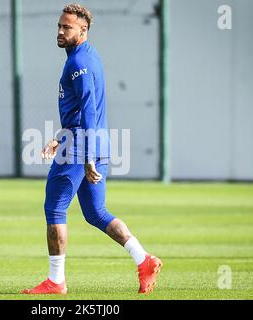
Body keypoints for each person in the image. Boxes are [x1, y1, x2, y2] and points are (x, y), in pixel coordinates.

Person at [22, 3, 162, 295]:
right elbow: (83, 113)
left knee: (55, 209)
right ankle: (144, 259)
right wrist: (60, 137)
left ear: (82, 30)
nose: (60, 31)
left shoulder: (77, 64)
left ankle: (56, 281)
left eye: (67, 27)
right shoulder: (87, 56)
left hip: (80, 150)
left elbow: (87, 110)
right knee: (96, 212)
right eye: (59, 26)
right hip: (93, 144)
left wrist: (84, 157)